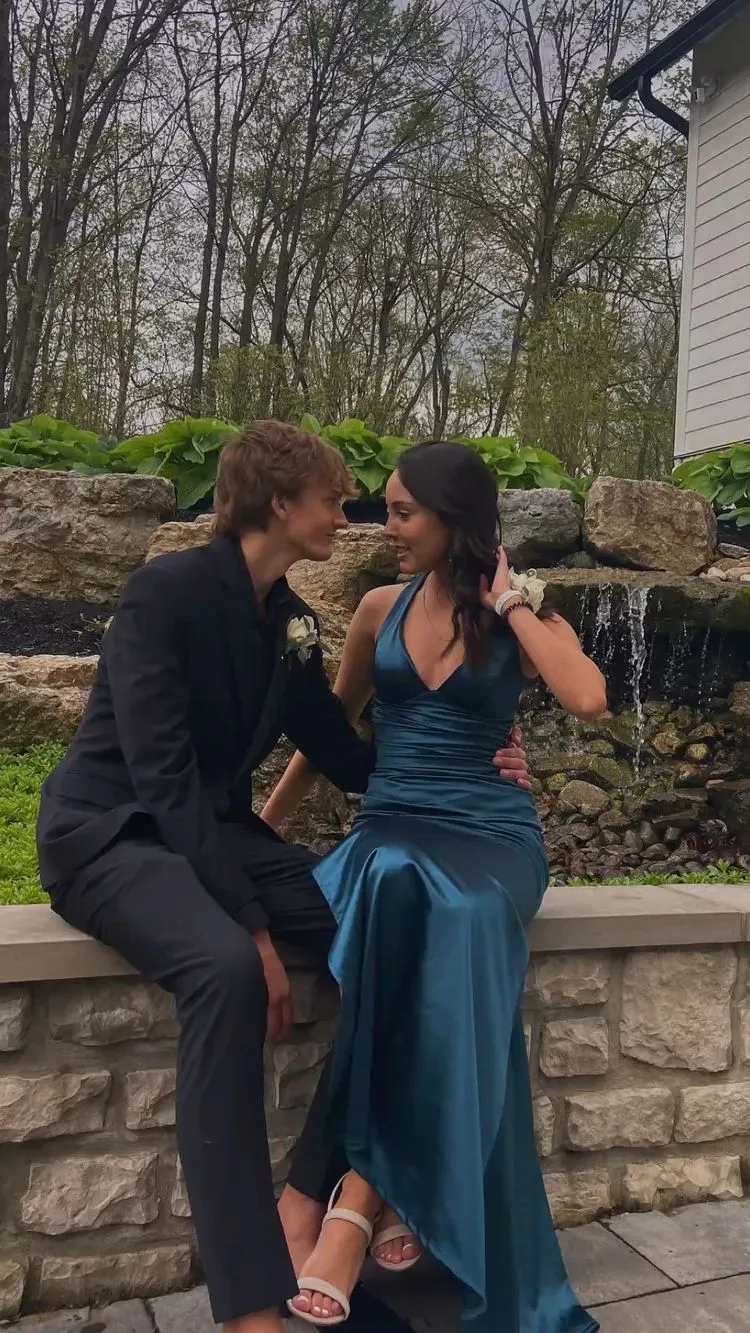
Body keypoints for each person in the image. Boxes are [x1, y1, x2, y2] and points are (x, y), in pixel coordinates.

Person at [35, 421, 532, 1333]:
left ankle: (323, 1190)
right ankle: (248, 1305)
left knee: (396, 926)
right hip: (110, 832)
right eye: (333, 502)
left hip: (211, 832)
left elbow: (346, 752)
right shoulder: (164, 594)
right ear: (278, 502)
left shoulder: (291, 620)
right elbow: (161, 776)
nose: (347, 519)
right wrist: (253, 925)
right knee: (226, 969)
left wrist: (471, 762)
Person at [262, 441, 607, 1333]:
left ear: (454, 518)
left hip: (493, 834)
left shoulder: (525, 615)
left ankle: (349, 1201)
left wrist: (512, 600)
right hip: (393, 824)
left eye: (402, 511)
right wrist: (264, 823)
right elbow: (330, 727)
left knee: (461, 906)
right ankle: (377, 1197)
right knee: (395, 879)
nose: (387, 527)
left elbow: (588, 697)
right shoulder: (378, 608)